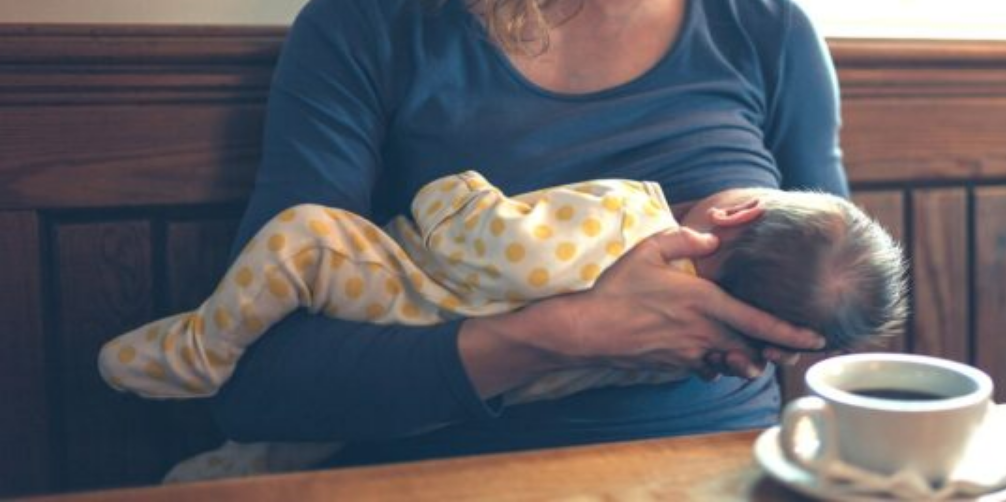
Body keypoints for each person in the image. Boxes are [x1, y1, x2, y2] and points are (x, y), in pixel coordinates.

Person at [207, 0, 847, 468]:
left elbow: (835, 320)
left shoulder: (766, 26)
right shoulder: (363, 30)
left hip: (716, 473)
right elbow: (261, 385)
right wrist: (568, 334)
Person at [99, 171, 906, 403]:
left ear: (731, 213)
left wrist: (447, 190)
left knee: (305, 237)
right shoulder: (687, 352)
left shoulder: (627, 210)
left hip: (401, 294)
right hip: (473, 399)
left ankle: (201, 349)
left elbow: (484, 242)